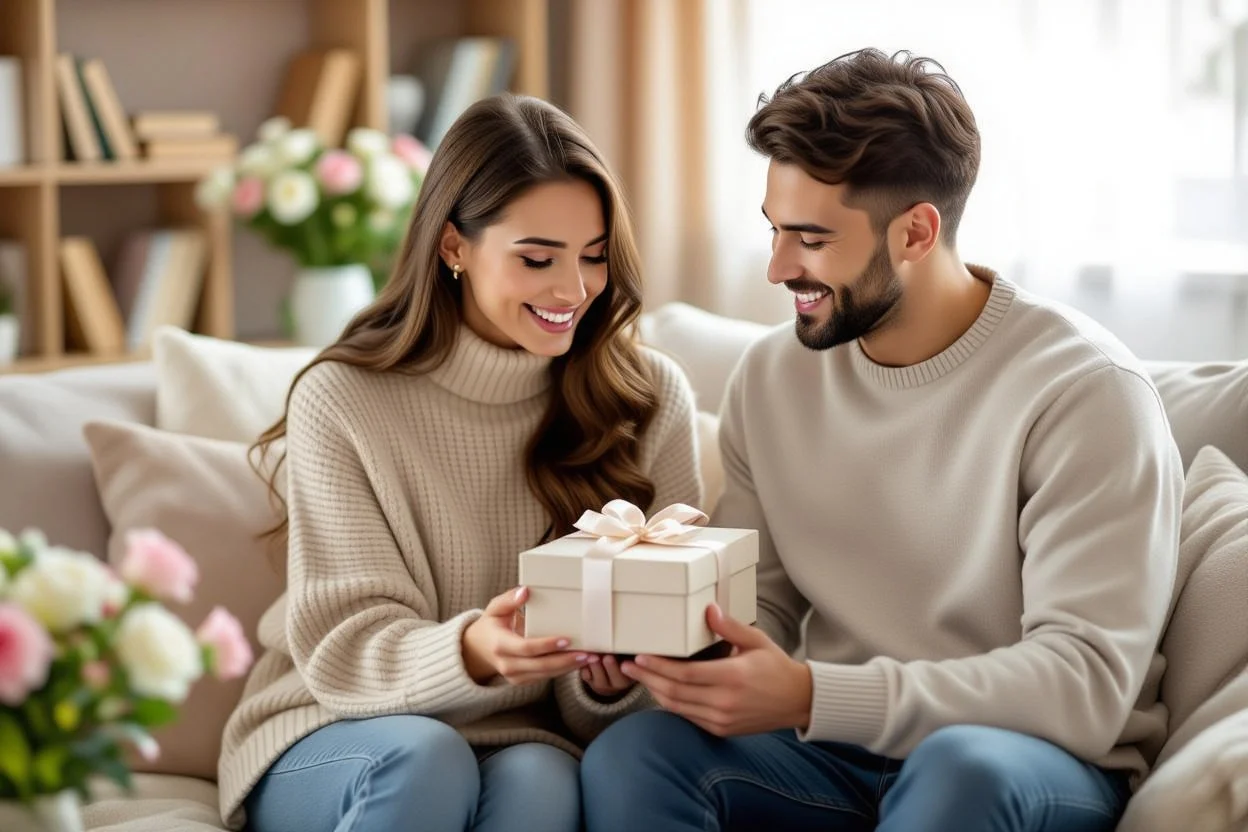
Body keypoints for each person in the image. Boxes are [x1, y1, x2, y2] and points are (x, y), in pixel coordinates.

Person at [581, 48, 1183, 832]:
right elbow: (762, 600)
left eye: (810, 239)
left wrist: (810, 694)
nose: (776, 268)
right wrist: (667, 654)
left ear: (916, 233)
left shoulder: (1086, 393)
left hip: (1028, 758)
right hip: (834, 745)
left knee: (960, 768)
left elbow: (1082, 686)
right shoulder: (770, 379)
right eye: (773, 231)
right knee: (637, 755)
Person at [216, 93, 701, 832]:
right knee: (426, 758)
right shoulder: (343, 398)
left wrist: (607, 682)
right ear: (453, 247)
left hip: (525, 737)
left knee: (545, 784)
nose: (572, 290)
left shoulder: (647, 399)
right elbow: (344, 648)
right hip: (331, 728)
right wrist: (474, 649)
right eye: (537, 258)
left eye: (594, 257)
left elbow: (664, 669)